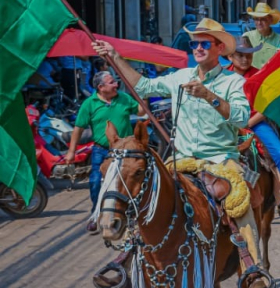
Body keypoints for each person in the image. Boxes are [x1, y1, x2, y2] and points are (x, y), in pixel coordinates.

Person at [91, 19, 263, 268]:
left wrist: (209, 96)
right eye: (195, 43)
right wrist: (116, 57)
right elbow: (144, 86)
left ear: (218, 48)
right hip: (180, 159)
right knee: (144, 193)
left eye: (205, 43)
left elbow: (240, 118)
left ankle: (253, 267)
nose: (198, 48)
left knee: (239, 201)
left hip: (220, 159)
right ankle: (126, 256)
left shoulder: (232, 82)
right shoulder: (180, 77)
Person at [65, 70, 139, 234]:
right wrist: (71, 151)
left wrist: (142, 95)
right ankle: (96, 214)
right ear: (100, 87)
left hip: (126, 150)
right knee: (96, 183)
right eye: (112, 82)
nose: (116, 85)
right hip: (102, 150)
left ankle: (131, 214)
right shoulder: (89, 104)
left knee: (129, 182)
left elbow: (140, 111)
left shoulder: (124, 98)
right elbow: (78, 129)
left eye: (115, 82)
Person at [226, 36, 280, 201]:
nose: (244, 59)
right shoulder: (222, 77)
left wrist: (248, 124)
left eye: (248, 55)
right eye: (240, 55)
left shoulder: (259, 76)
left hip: (255, 122)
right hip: (227, 124)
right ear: (230, 56)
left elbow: (267, 107)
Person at [244, 3, 280, 70]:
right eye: (256, 19)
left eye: (263, 19)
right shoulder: (247, 37)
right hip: (252, 78)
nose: (259, 23)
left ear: (271, 20)